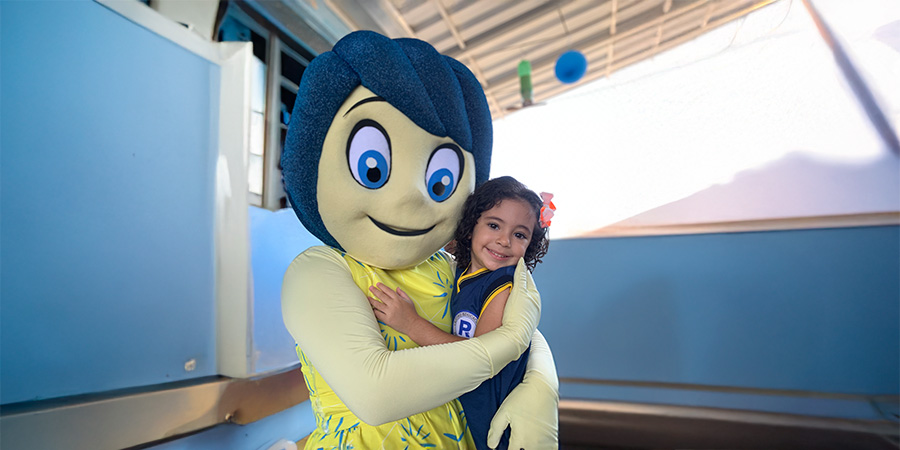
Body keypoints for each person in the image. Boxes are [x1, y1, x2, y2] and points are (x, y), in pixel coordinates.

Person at [280, 31, 559, 449]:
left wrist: (541, 377)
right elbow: (376, 394)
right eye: (372, 167)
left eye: (440, 180)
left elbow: (514, 323)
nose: (411, 194)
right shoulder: (320, 270)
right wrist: (502, 348)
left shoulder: (451, 266)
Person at [367, 176, 553, 450]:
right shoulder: (466, 272)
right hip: (468, 421)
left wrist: (411, 324)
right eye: (493, 225)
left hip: (499, 430)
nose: (503, 241)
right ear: (469, 227)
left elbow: (478, 357)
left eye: (519, 235)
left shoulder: (502, 285)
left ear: (530, 245)